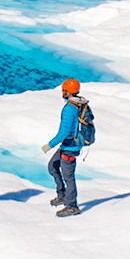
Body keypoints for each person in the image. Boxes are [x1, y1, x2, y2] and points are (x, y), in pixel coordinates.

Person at [41, 78, 88, 216]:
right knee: (52, 166)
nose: (62, 92)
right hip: (69, 144)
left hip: (70, 147)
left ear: (68, 92)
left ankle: (72, 206)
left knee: (69, 177)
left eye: (63, 90)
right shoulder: (79, 104)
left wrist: (49, 145)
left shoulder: (69, 109)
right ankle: (62, 196)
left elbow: (64, 132)